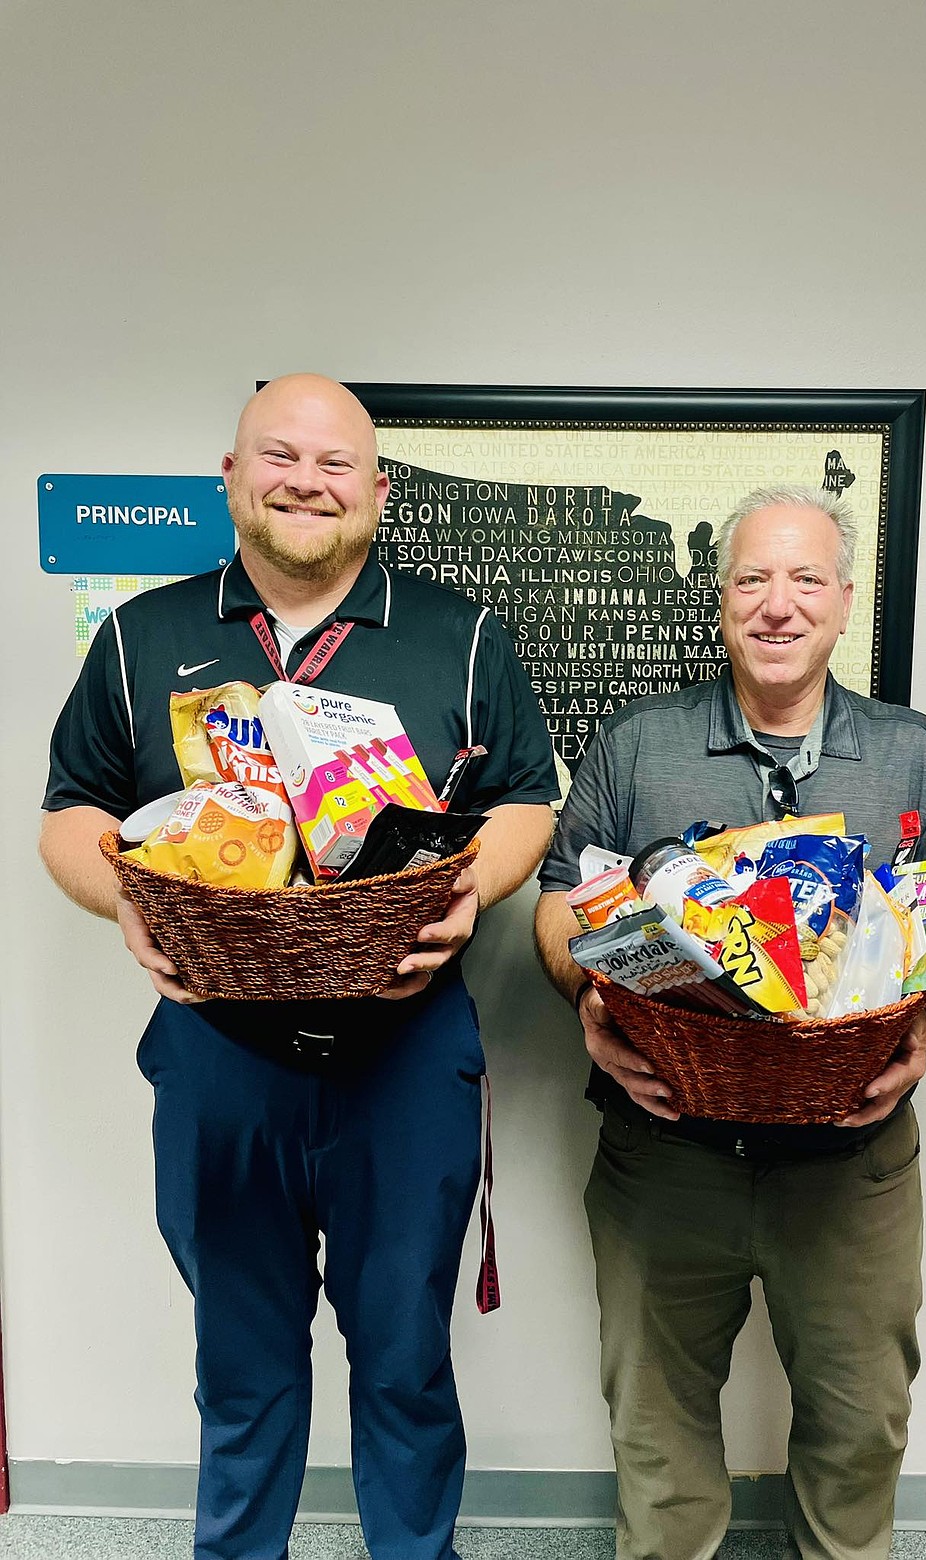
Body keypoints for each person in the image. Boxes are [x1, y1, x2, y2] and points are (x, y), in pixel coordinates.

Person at [40, 374, 559, 1560]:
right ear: (230, 476)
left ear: (378, 491)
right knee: (244, 1370)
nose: (306, 481)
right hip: (219, 1055)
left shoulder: (463, 634)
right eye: (278, 455)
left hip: (408, 1057)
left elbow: (527, 801)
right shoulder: (142, 635)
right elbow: (70, 813)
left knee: (406, 1371)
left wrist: (471, 885)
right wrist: (128, 897)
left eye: (336, 464)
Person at [534, 484, 926, 1560]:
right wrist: (586, 1002)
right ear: (722, 602)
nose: (778, 605)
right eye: (753, 578)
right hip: (663, 1151)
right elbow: (558, 908)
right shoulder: (635, 746)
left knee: (859, 1433)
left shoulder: (920, 757)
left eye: (806, 580)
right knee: (658, 1441)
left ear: (845, 604)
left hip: (854, 1165)